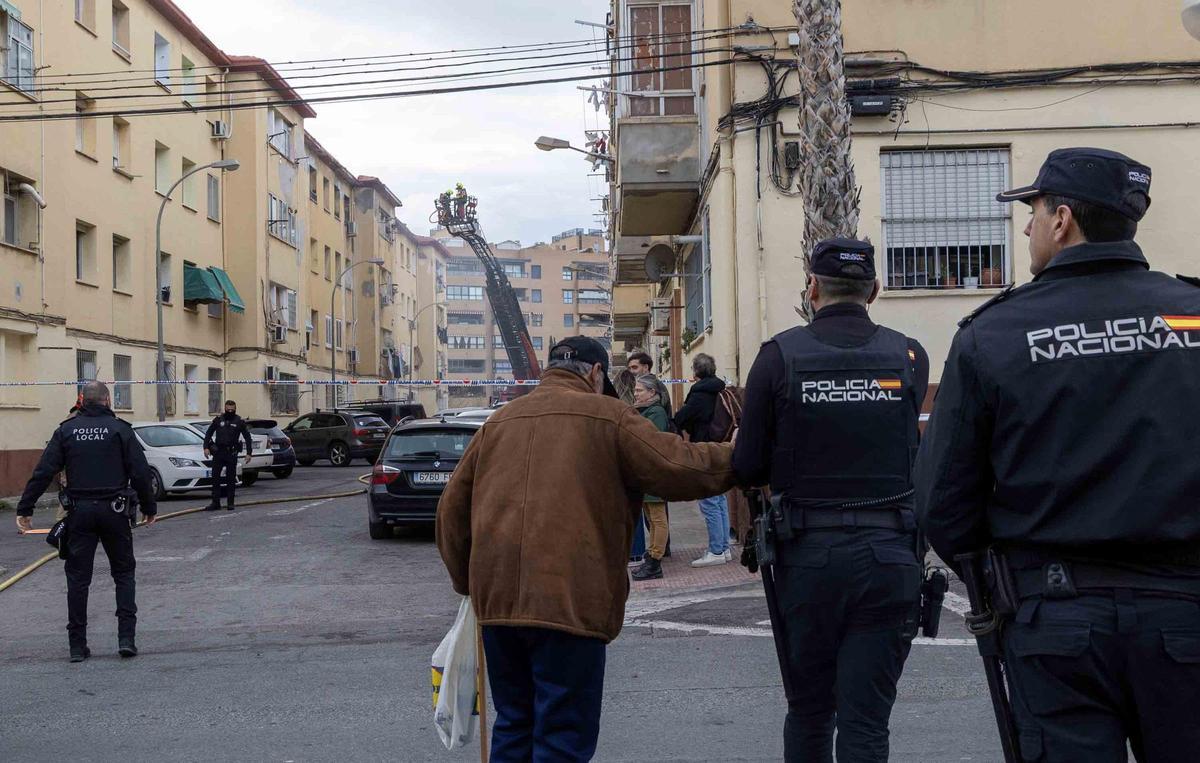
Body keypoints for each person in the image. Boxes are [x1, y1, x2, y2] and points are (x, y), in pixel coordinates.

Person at [916, 147, 1200, 761]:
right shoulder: (1193, 314)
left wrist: (999, 584)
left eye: (1034, 211)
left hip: (1055, 619)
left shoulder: (993, 333)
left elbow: (943, 501)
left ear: (1063, 220)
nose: (1027, 228)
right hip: (1185, 613)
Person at [437, 336, 734, 761]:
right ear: (596, 373)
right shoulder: (609, 416)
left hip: (498, 606)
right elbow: (678, 465)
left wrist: (469, 584)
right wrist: (739, 457)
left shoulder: (499, 421)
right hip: (568, 602)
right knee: (561, 736)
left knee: (514, 723)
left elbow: (450, 512)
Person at [734, 237, 929, 762]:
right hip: (890, 554)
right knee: (866, 722)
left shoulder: (778, 357)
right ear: (875, 290)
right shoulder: (909, 355)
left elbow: (747, 466)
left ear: (812, 288)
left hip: (808, 557)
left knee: (810, 711)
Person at [15, 381, 157, 662]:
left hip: (79, 513)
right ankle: (126, 639)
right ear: (107, 400)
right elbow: (140, 472)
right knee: (124, 574)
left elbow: (44, 471)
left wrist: (25, 507)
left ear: (82, 400)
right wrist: (149, 506)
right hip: (115, 511)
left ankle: (77, 646)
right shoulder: (120, 429)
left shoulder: (66, 430)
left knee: (78, 580)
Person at [673, 353, 731, 567]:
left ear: (696, 371)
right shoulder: (722, 390)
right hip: (722, 448)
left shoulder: (699, 394)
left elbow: (680, 418)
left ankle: (716, 550)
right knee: (720, 500)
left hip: (704, 450)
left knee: (709, 502)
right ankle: (724, 548)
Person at [630, 373, 671, 582]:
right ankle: (652, 556)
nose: (635, 394)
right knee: (651, 518)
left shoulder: (656, 412)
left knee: (657, 518)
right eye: (635, 390)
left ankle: (655, 560)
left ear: (652, 392)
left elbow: (651, 442)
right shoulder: (644, 411)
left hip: (654, 473)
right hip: (644, 473)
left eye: (639, 390)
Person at [203, 399, 253, 512]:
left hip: (231, 453)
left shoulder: (239, 421)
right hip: (219, 453)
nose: (230, 411)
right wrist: (206, 447)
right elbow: (209, 433)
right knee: (215, 478)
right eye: (228, 409)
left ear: (235, 409)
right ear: (225, 408)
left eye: (232, 409)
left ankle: (230, 503)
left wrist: (249, 453)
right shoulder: (218, 420)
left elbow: (247, 437)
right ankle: (215, 503)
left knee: (230, 479)